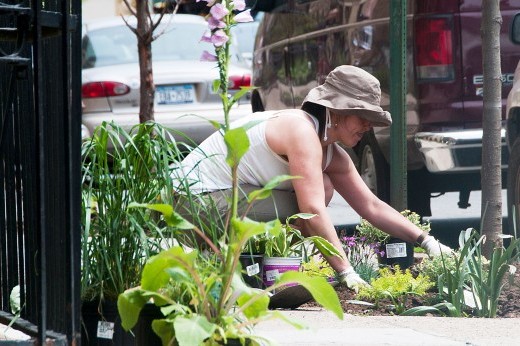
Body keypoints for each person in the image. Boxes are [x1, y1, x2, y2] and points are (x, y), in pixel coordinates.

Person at [176, 65, 451, 291]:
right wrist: (347, 272)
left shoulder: (331, 152)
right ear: (336, 110)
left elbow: (372, 206)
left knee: (324, 185)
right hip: (192, 205)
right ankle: (286, 270)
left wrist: (427, 242)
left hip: (223, 200)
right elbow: (311, 210)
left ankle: (287, 270)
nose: (367, 125)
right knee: (311, 200)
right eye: (362, 115)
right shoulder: (302, 131)